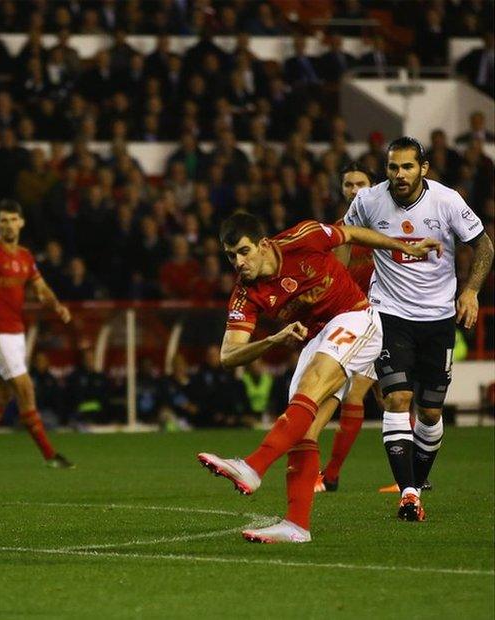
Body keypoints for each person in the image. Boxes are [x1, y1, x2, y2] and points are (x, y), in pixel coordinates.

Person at [197, 212, 440, 543]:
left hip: (356, 318)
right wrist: (272, 340)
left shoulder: (303, 238)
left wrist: (404, 248)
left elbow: (352, 234)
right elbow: (227, 355)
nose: (238, 262)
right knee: (302, 429)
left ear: (263, 245)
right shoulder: (245, 293)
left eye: (243, 251)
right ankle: (297, 525)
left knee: (310, 387)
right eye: (230, 256)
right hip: (319, 338)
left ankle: (253, 466)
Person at [341, 136, 493, 521]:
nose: (399, 174)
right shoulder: (368, 201)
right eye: (393, 167)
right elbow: (343, 238)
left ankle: (416, 482)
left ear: (423, 168)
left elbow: (485, 246)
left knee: (429, 411)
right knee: (397, 399)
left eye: (408, 167)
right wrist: (339, 287)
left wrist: (471, 291)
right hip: (389, 314)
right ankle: (408, 493)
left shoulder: (446, 201)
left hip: (438, 318)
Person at [0, 200, 73, 468]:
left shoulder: (25, 256)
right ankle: (50, 455)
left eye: (13, 219)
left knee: (1, 396)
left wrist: (57, 305)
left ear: (21, 223)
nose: (9, 224)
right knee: (25, 388)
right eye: (4, 220)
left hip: (16, 332)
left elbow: (41, 287)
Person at [312, 162, 378, 493]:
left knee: (384, 395)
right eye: (348, 184)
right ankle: (410, 478)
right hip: (356, 319)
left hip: (386, 316)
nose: (354, 190)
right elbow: (336, 277)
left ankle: (332, 475)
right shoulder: (338, 231)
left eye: (360, 184)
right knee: (371, 393)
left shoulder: (386, 223)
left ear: (372, 186)